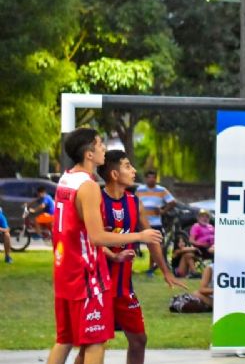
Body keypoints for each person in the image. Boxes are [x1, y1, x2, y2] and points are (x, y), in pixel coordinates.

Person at [46, 128, 162, 364]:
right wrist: (140, 235)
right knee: (95, 342)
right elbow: (97, 237)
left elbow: (75, 230)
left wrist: (112, 254)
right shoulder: (88, 186)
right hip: (86, 276)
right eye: (100, 145)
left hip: (64, 271)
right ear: (89, 154)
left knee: (64, 340)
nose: (104, 149)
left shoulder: (66, 179)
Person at [91, 149, 187, 364]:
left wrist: (166, 271)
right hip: (99, 287)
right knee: (94, 346)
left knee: (139, 340)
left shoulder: (135, 202)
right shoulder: (96, 200)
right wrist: (112, 255)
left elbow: (151, 239)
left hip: (124, 289)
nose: (134, 170)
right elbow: (91, 240)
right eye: (127, 166)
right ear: (114, 174)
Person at [136, 169, 177, 276]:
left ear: (156, 178)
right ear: (146, 178)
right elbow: (134, 201)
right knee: (134, 244)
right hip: (141, 222)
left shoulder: (161, 190)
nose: (151, 179)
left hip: (155, 222)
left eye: (153, 177)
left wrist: (163, 211)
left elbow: (173, 202)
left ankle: (151, 269)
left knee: (155, 245)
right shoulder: (140, 190)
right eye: (149, 177)